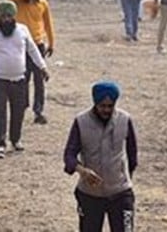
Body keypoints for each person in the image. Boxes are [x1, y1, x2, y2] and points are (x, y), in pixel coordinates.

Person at [0, 1, 49, 159]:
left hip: (19, 79)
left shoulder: (22, 31)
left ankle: (15, 140)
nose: (6, 20)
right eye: (3, 17)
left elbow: (33, 50)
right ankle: (0, 144)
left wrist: (43, 67)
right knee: (0, 111)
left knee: (18, 111)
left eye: (9, 16)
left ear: (14, 17)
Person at [63, 81, 138, 232]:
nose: (106, 110)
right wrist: (83, 171)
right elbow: (69, 155)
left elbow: (132, 154)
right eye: (102, 106)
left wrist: (124, 178)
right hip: (90, 194)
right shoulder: (81, 122)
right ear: (95, 103)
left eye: (110, 106)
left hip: (120, 193)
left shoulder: (124, 120)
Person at [6, 0, 55, 125]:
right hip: (22, 44)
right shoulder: (18, 2)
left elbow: (48, 24)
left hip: (37, 44)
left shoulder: (41, 3)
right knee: (24, 78)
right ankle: (23, 105)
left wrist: (51, 43)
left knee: (39, 79)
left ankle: (38, 110)